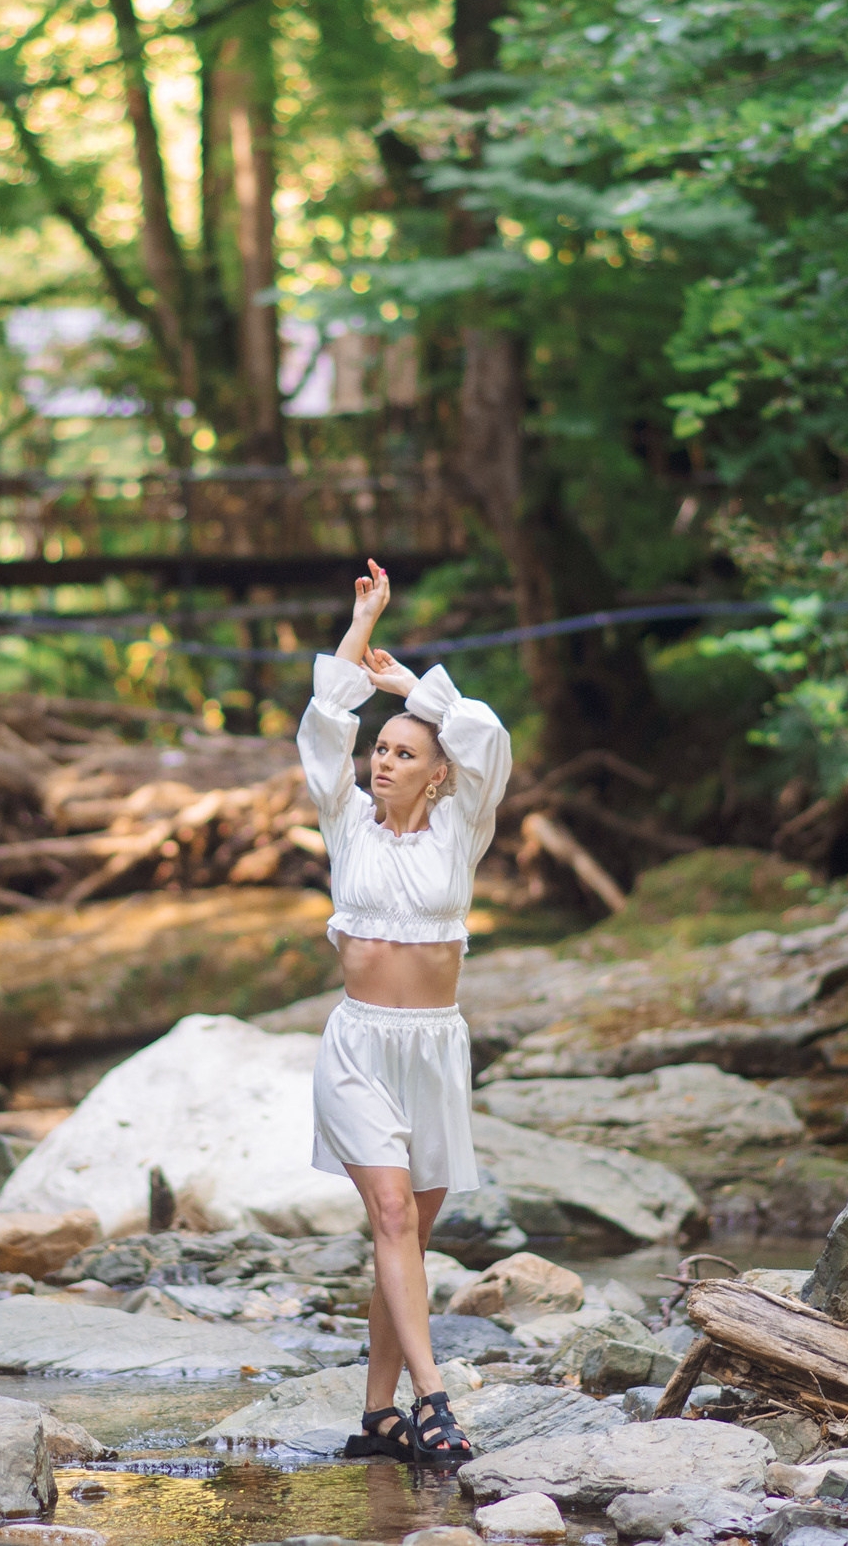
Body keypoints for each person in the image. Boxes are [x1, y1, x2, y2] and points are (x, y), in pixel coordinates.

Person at [299, 557, 514, 1468]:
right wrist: (360, 629)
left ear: (437, 775)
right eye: (380, 748)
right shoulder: (344, 819)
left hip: (433, 1050)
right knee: (391, 1216)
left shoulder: (465, 828)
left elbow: (489, 736)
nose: (382, 760)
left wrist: (407, 682)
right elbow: (321, 726)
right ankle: (433, 1399)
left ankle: (377, 1409)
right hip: (356, 1049)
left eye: (402, 753)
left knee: (410, 1237)